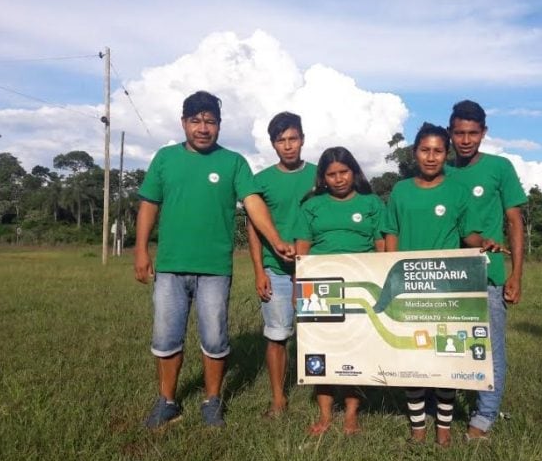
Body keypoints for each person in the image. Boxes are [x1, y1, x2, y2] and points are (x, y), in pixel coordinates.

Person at [134, 91, 294, 429]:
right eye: (196, 121)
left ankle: (212, 401)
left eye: (210, 121)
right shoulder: (164, 159)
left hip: (215, 270)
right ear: (184, 123)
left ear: (219, 126)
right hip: (171, 267)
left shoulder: (233, 162)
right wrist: (140, 250)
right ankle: (167, 402)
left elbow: (252, 202)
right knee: (165, 338)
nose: (203, 128)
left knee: (215, 339)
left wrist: (276, 240)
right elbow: (149, 204)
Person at [382, 122, 501, 447]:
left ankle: (444, 430)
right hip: (409, 285)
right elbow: (390, 232)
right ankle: (418, 429)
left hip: (447, 288)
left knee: (447, 360)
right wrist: (391, 269)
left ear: (445, 154)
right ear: (414, 152)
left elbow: (468, 234)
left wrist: (484, 242)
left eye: (437, 151)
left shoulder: (457, 192)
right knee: (414, 360)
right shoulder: (401, 190)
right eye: (425, 150)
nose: (431, 157)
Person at [447, 99, 527, 441]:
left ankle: (484, 417)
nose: (465, 140)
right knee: (450, 345)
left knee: (490, 348)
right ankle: (444, 407)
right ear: (450, 134)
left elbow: (514, 222)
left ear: (484, 133)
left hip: (489, 275)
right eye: (459, 133)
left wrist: (516, 274)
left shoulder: (500, 168)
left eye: (472, 133)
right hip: (448, 275)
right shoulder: (441, 171)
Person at [293, 146, 385, 435]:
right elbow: (302, 251)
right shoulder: (311, 206)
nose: (339, 179)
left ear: (354, 171)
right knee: (320, 352)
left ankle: (351, 414)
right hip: (320, 288)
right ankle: (324, 416)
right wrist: (303, 285)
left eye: (343, 172)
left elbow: (381, 246)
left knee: (356, 350)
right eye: (331, 174)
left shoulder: (371, 203)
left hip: (361, 287)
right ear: (323, 178)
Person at [246, 112, 316, 419]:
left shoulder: (320, 175)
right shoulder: (260, 182)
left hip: (315, 271)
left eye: (293, 139)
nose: (288, 146)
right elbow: (253, 230)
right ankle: (278, 399)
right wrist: (259, 271)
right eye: (281, 141)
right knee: (277, 336)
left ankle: (326, 396)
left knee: (323, 334)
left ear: (303, 139)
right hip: (276, 271)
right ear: (273, 144)